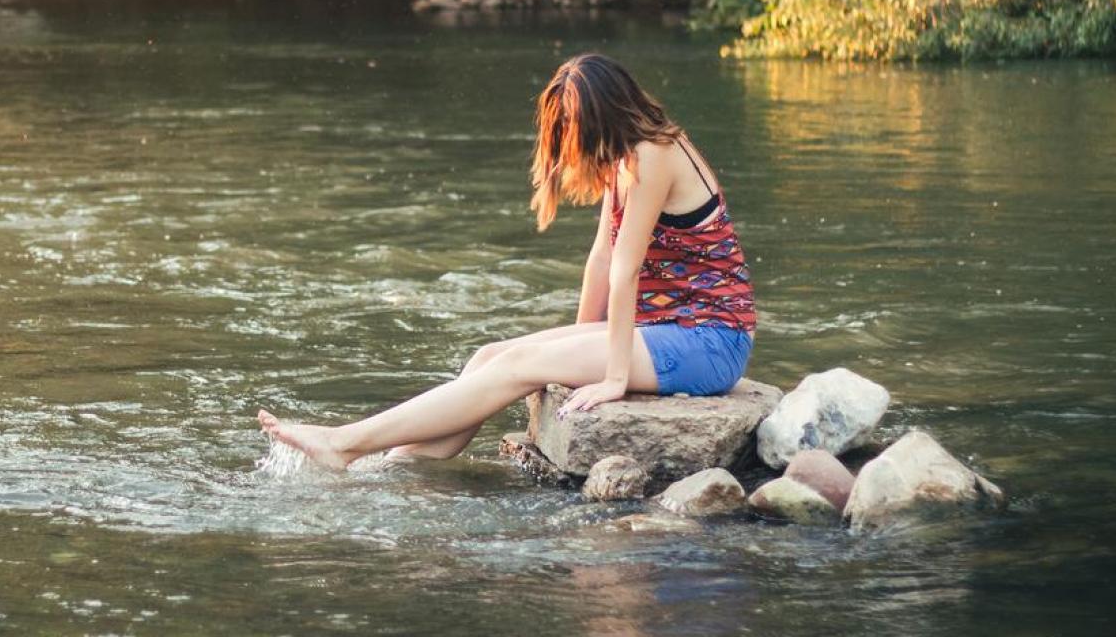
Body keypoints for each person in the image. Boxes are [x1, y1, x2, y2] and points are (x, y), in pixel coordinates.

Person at [257, 53, 758, 470]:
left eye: (576, 128)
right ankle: (391, 468)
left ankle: (343, 444)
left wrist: (613, 378)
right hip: (668, 327)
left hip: (710, 340)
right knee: (490, 357)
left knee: (518, 365)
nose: (574, 143)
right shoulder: (626, 156)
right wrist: (577, 344)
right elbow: (601, 257)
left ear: (605, 116)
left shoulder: (654, 154)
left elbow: (626, 270)